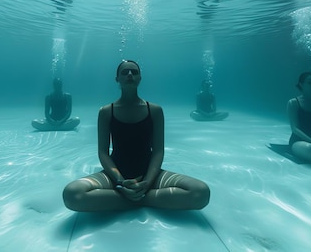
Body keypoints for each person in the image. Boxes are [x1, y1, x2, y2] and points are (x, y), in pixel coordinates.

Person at [63, 60, 210, 211]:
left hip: (150, 175)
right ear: (117, 79)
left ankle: (130, 199)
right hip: (115, 176)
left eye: (134, 72)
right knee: (72, 194)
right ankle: (143, 199)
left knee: (201, 192)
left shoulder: (155, 110)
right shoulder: (106, 112)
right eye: (125, 72)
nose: (130, 74)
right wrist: (120, 181)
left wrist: (147, 182)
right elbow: (103, 153)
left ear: (140, 78)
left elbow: (158, 151)